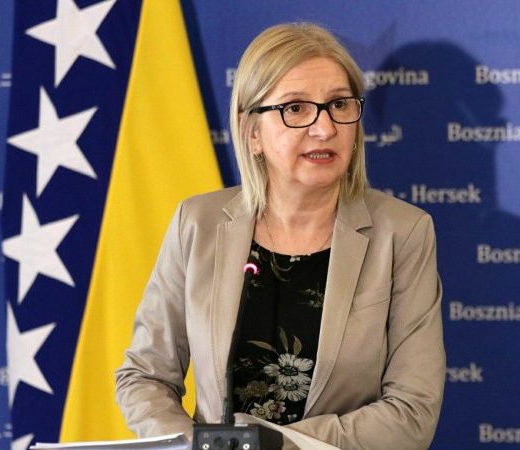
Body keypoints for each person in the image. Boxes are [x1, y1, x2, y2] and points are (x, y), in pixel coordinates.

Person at [115, 22, 445, 450]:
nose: (325, 128)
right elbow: (144, 377)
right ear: (252, 131)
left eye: (339, 104)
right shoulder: (197, 224)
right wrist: (195, 445)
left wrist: (270, 444)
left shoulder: (403, 232)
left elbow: (412, 411)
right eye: (296, 108)